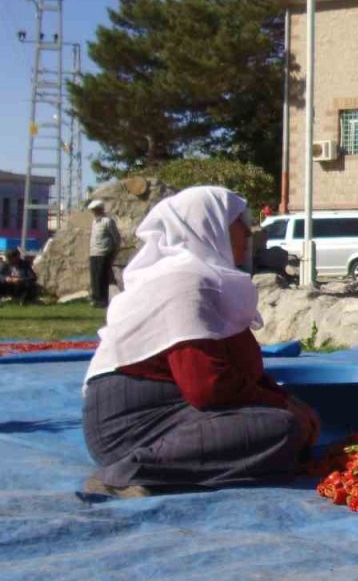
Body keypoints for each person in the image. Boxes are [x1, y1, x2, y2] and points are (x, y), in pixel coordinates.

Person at [81, 187, 320, 498]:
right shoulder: (184, 282)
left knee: (288, 425)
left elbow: (238, 374)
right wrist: (282, 406)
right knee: (281, 430)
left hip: (177, 413)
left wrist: (287, 400)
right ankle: (128, 473)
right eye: (237, 221)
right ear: (206, 225)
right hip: (130, 428)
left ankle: (166, 470)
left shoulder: (208, 280)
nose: (248, 232)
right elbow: (207, 386)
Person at [87, 199, 121, 308]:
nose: (94, 212)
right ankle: (96, 298)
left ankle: (103, 300)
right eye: (93, 210)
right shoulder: (94, 222)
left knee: (102, 277)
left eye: (96, 210)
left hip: (104, 253)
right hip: (94, 252)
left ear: (100, 210)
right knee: (95, 277)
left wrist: (114, 251)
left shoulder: (108, 221)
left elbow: (116, 238)